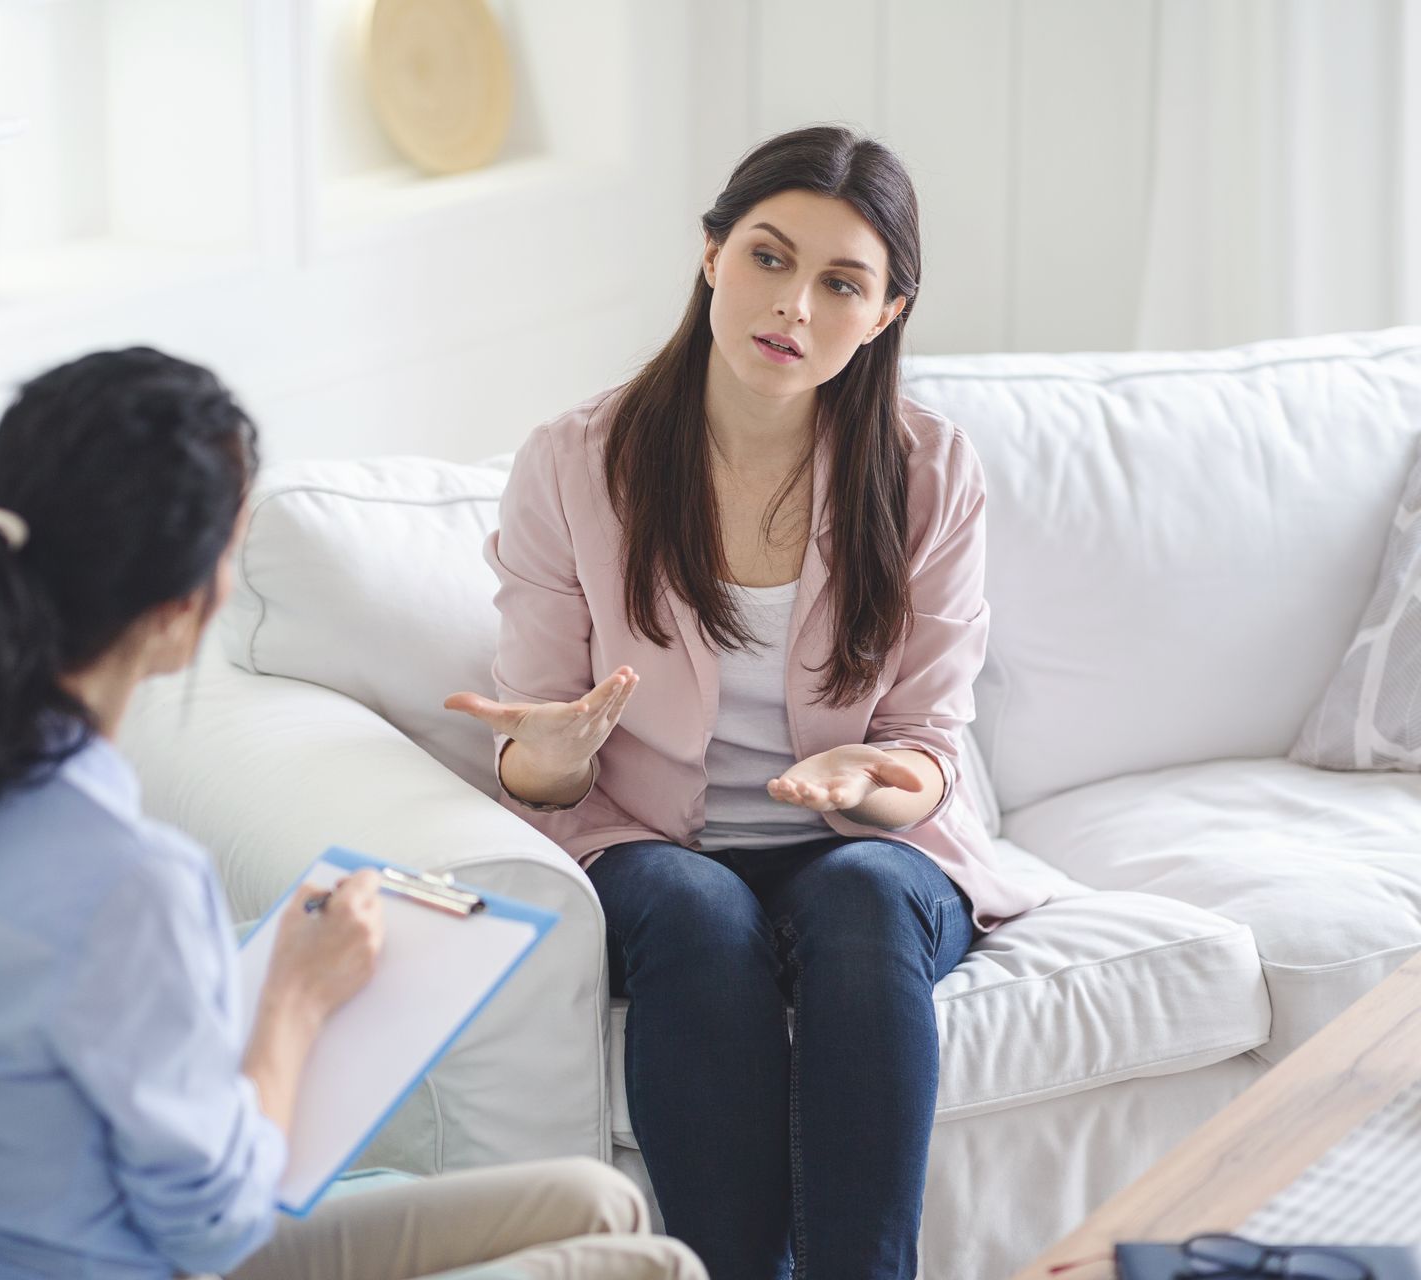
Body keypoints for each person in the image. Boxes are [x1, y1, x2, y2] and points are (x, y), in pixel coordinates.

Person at [0, 348, 705, 1280]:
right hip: (144, 1255)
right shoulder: (130, 878)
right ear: (177, 611)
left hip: (61, 1216)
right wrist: (294, 995)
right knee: (657, 1265)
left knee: (601, 1200)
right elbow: (220, 1224)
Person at [443, 126, 1054, 1280]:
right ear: (712, 254)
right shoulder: (576, 461)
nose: (796, 306)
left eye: (841, 283)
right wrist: (558, 751)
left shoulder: (929, 470)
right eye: (769, 258)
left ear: (884, 312)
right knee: (695, 911)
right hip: (652, 844)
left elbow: (929, 735)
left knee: (868, 894)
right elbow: (533, 762)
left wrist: (878, 782)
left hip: (866, 845)